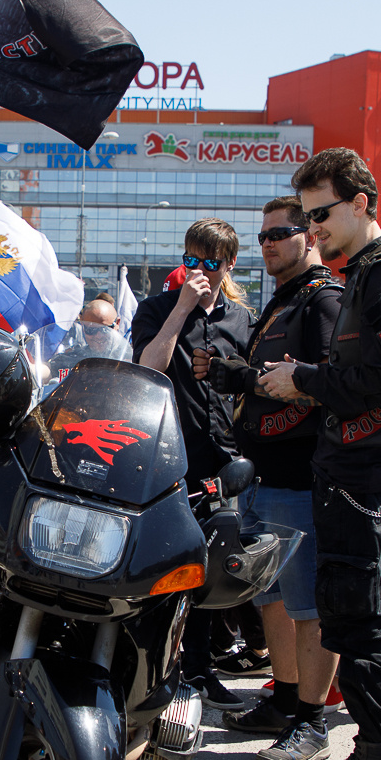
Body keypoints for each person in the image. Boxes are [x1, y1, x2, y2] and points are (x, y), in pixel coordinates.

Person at [257, 147, 381, 760]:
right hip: (352, 473)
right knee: (344, 617)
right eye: (305, 216)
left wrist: (303, 379)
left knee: (361, 629)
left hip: (366, 478)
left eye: (321, 213)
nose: (313, 227)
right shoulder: (365, 271)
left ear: (362, 202)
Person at [195, 196, 344, 760]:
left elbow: (326, 381)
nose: (270, 243)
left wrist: (247, 378)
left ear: (309, 235)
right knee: (275, 599)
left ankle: (312, 722)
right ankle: (284, 700)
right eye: (263, 237)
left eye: (282, 232)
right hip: (262, 472)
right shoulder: (282, 301)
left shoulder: (323, 298)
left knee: (307, 607)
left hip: (301, 476)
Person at [133, 218, 256, 709]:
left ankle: (202, 668)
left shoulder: (244, 320)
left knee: (208, 570)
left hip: (222, 461)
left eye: (211, 263)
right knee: (162, 565)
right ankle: (153, 664)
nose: (200, 271)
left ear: (228, 266)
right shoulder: (158, 308)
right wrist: (182, 307)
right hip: (165, 456)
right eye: (191, 261)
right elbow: (146, 367)